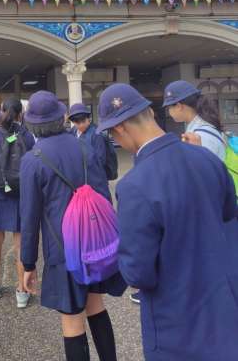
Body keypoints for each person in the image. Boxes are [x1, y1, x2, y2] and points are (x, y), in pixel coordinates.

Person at [97, 83, 238, 361]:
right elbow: (228, 212)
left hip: (177, 319)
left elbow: (138, 272)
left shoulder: (134, 185)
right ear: (150, 113)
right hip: (224, 303)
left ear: (120, 128)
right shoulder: (205, 157)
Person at [20, 91, 126, 361]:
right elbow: (103, 194)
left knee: (71, 319)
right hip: (93, 243)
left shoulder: (33, 159)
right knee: (96, 306)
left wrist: (28, 263)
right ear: (62, 117)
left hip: (62, 248)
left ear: (32, 124)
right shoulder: (84, 146)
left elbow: (29, 218)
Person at [0, 98, 35, 308]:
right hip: (20, 194)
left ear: (2, 112)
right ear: (21, 114)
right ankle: (22, 291)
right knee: (20, 244)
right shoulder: (26, 135)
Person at [163, 80, 226, 160]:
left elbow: (203, 167)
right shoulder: (200, 128)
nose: (169, 112)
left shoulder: (201, 136)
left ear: (179, 106)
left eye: (169, 108)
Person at [67, 103, 118, 181]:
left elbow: (100, 161)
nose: (81, 125)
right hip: (81, 176)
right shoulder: (72, 132)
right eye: (77, 123)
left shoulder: (97, 134)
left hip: (96, 178)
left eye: (83, 121)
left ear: (89, 119)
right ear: (73, 122)